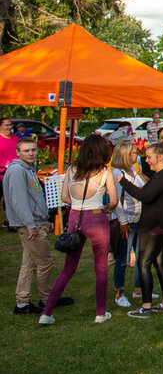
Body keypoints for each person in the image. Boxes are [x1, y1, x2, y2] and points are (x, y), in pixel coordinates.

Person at [40, 134, 119, 325]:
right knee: (100, 268)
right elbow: (114, 201)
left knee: (68, 268)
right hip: (96, 217)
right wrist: (107, 209)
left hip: (76, 217)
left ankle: (46, 312)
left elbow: (65, 198)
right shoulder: (105, 172)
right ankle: (100, 313)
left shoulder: (71, 170)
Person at [116, 142, 163, 318]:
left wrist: (123, 181)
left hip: (154, 225)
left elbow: (145, 195)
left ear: (160, 157)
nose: (147, 160)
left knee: (143, 263)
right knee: (160, 262)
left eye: (149, 157)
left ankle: (145, 307)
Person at [5, 137, 62, 315]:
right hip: (30, 225)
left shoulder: (28, 169)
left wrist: (44, 219)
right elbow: (19, 201)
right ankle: (47, 299)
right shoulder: (17, 171)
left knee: (28, 263)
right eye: (26, 150)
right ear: (18, 152)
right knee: (45, 262)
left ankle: (22, 302)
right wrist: (31, 225)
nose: (31, 153)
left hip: (37, 222)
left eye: (33, 150)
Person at [109, 141, 144, 308]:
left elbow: (144, 188)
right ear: (125, 155)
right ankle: (119, 292)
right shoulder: (117, 172)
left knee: (140, 256)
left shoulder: (133, 171)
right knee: (122, 259)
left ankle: (138, 289)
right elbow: (116, 201)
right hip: (126, 220)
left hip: (138, 218)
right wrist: (122, 221)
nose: (137, 155)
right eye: (134, 153)